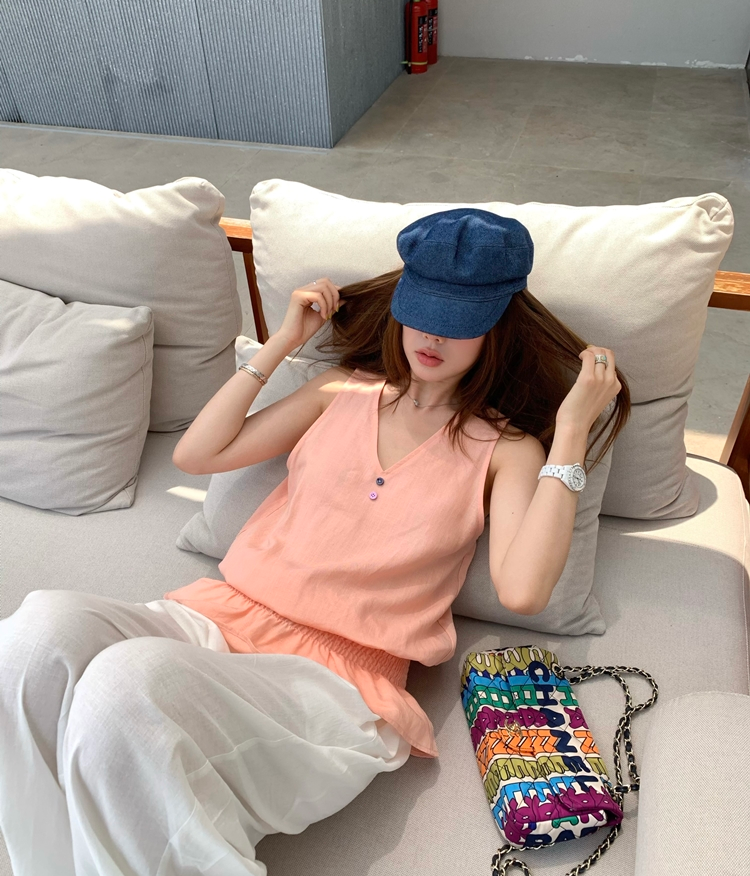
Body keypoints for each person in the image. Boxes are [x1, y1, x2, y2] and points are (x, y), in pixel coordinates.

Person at [0, 208, 628, 876]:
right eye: (422, 311)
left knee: (124, 683)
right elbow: (197, 454)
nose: (432, 335)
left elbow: (524, 591)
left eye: (458, 321)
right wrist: (282, 343)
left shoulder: (508, 449)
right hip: (217, 619)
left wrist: (571, 431)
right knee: (34, 633)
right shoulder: (339, 393)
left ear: (498, 326)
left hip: (335, 685)